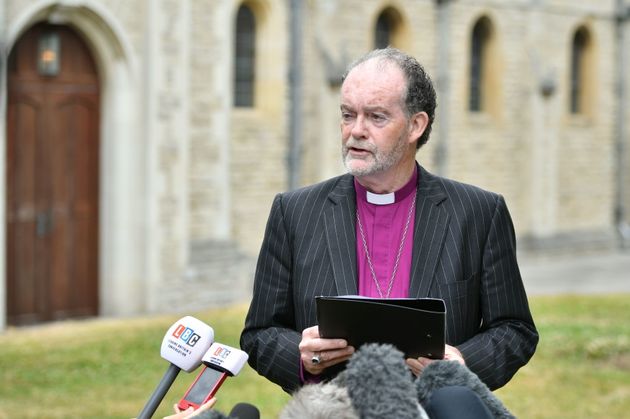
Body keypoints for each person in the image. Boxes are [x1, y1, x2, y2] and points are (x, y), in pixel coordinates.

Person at [240, 47, 538, 394]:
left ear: (416, 125)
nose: (356, 131)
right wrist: (301, 358)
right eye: (348, 115)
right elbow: (259, 333)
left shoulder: (479, 213)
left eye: (376, 117)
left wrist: (462, 364)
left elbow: (515, 330)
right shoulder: (294, 212)